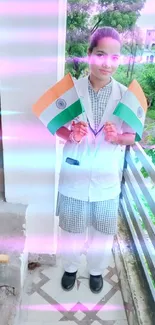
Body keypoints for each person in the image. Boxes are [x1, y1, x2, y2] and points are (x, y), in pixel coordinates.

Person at [56, 26, 135, 294]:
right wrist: (71, 133)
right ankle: (70, 267)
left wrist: (117, 138)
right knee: (72, 229)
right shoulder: (70, 90)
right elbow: (57, 127)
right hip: (74, 175)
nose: (107, 63)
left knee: (102, 232)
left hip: (106, 178)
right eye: (101, 54)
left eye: (114, 57)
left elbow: (132, 136)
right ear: (89, 55)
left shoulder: (127, 96)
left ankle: (96, 271)